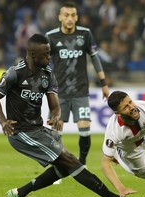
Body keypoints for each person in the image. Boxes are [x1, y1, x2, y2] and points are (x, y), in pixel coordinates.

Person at [0, 33, 141, 197]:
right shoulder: (15, 73)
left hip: (38, 129)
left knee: (64, 167)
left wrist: (56, 115)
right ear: (32, 54)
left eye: (49, 52)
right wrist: (3, 121)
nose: (49, 57)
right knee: (71, 161)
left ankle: (20, 193)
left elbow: (54, 105)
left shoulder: (47, 75)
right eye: (45, 54)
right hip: (21, 132)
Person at [45, 2, 110, 166]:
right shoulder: (51, 37)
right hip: (59, 93)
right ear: (60, 17)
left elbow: (95, 58)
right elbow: (43, 62)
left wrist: (104, 83)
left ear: (77, 18)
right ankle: (57, 166)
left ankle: (82, 164)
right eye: (66, 15)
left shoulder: (85, 34)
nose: (70, 18)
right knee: (55, 134)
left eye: (73, 15)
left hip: (80, 91)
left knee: (85, 131)